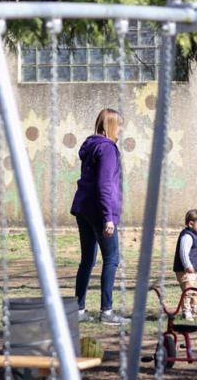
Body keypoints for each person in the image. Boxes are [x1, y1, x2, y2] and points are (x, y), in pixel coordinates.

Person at [71, 107, 126, 325]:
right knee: (111, 259)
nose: (121, 130)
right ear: (110, 126)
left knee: (87, 260)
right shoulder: (108, 149)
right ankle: (107, 312)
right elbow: (104, 185)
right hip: (100, 211)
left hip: (83, 208)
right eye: (119, 125)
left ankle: (78, 310)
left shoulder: (91, 146)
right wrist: (108, 217)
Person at [173, 209, 197, 321]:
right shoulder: (187, 236)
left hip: (194, 270)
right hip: (185, 270)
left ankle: (195, 307)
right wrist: (187, 265)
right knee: (188, 290)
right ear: (191, 224)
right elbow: (183, 252)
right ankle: (186, 310)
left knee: (196, 289)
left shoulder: (195, 235)